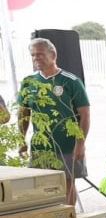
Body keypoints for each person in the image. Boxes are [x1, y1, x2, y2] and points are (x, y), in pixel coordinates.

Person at [18, 38, 89, 206]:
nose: (36, 58)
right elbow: (23, 113)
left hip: (66, 145)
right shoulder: (29, 82)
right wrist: (21, 139)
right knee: (40, 187)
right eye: (33, 55)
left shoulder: (71, 81)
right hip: (41, 147)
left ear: (53, 55)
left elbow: (85, 115)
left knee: (67, 185)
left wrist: (80, 143)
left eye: (40, 55)